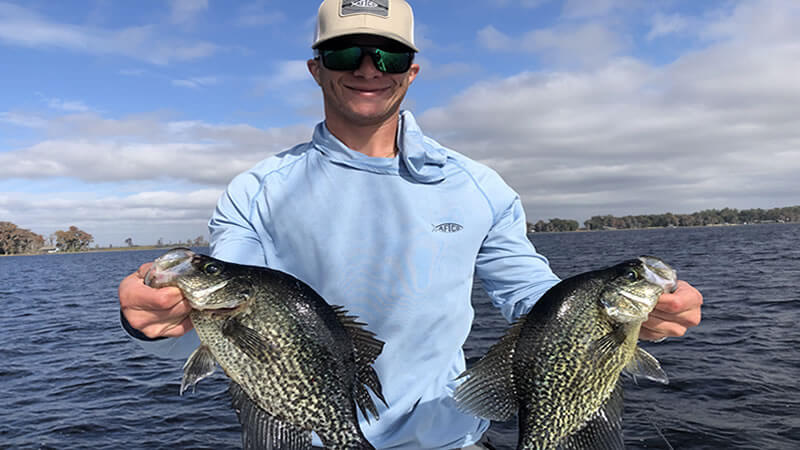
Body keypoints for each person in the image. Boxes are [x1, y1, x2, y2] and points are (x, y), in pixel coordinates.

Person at [118, 0, 703, 448]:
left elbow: (531, 295)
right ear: (316, 69)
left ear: (412, 71)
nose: (369, 69)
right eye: (347, 54)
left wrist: (621, 320)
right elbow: (236, 296)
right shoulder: (257, 190)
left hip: (448, 437)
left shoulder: (479, 187)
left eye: (388, 55)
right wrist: (156, 318)